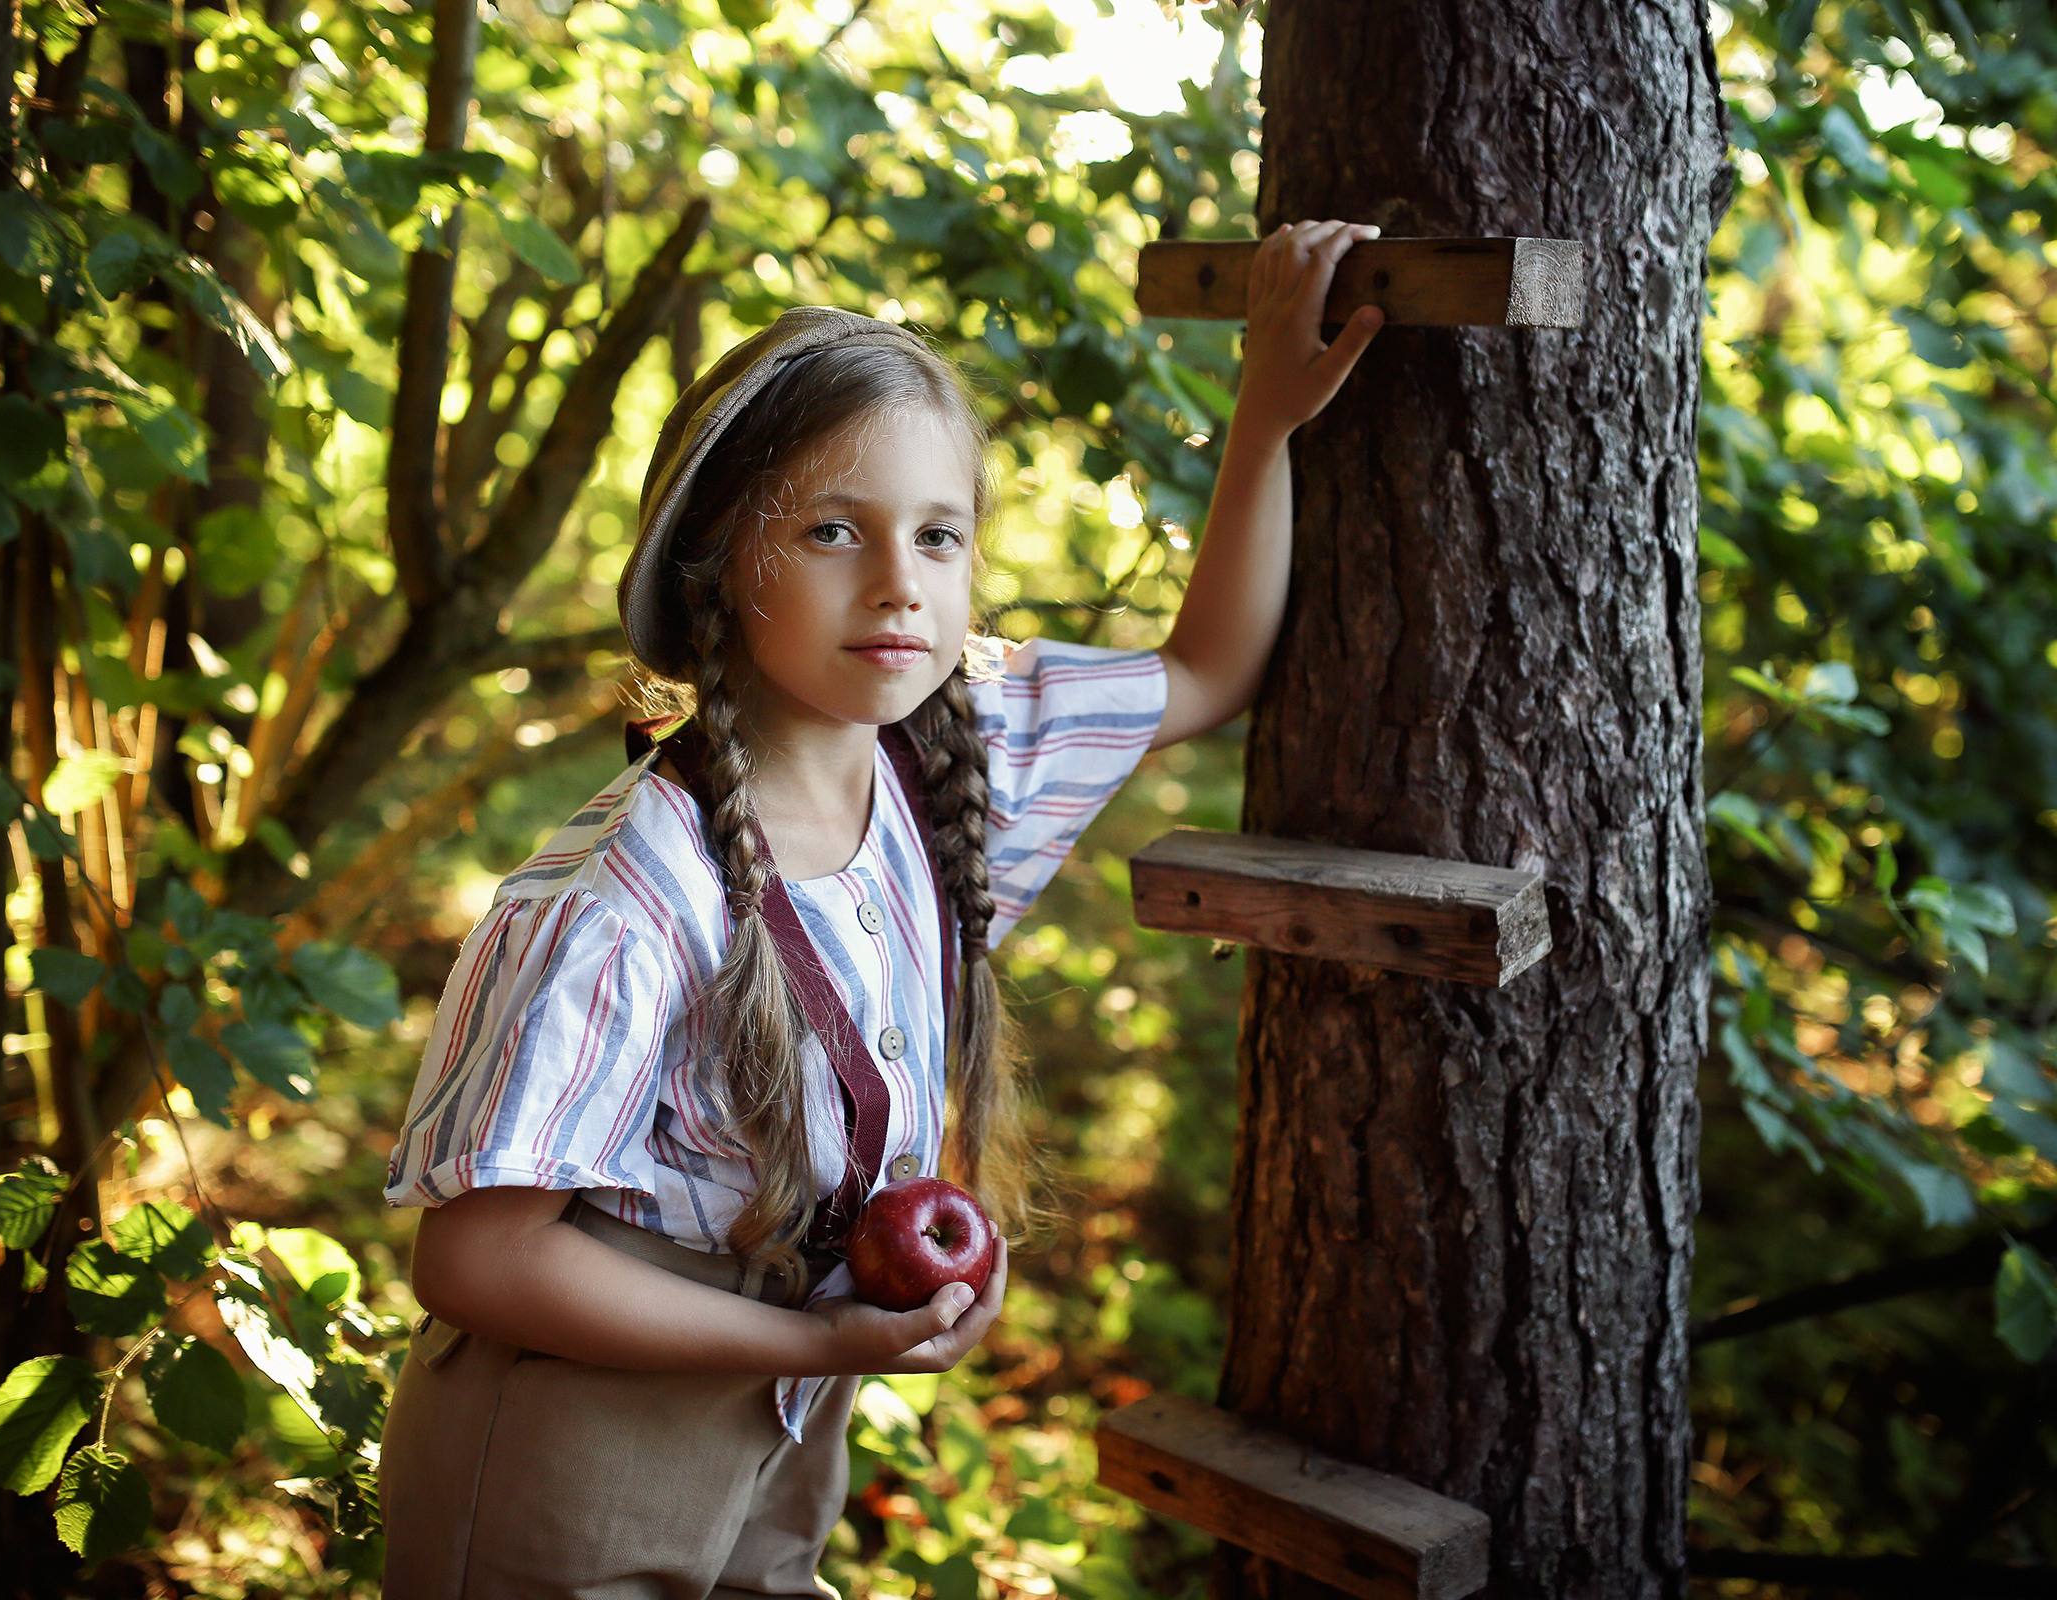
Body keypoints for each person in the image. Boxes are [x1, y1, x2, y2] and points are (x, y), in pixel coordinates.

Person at [374, 219, 1384, 1599]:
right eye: (836, 530)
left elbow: (1207, 670)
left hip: (783, 1429)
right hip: (571, 1438)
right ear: (722, 561)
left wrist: (1264, 418)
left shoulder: (960, 763)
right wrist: (812, 1348)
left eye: (939, 535)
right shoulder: (621, 898)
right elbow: (477, 1261)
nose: (901, 580)